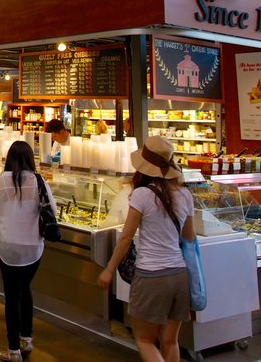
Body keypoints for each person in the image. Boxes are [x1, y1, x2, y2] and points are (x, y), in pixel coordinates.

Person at [96, 136, 195, 362]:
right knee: (170, 341)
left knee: (145, 340)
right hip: (179, 275)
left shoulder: (142, 195)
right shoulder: (185, 195)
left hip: (150, 276)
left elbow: (125, 238)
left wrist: (109, 269)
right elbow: (189, 236)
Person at [0, 141, 57, 362]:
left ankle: (13, 351)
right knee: (25, 289)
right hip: (34, 248)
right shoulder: (39, 181)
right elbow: (53, 210)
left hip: (8, 248)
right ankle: (27, 339)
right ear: (30, 159)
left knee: (11, 297)